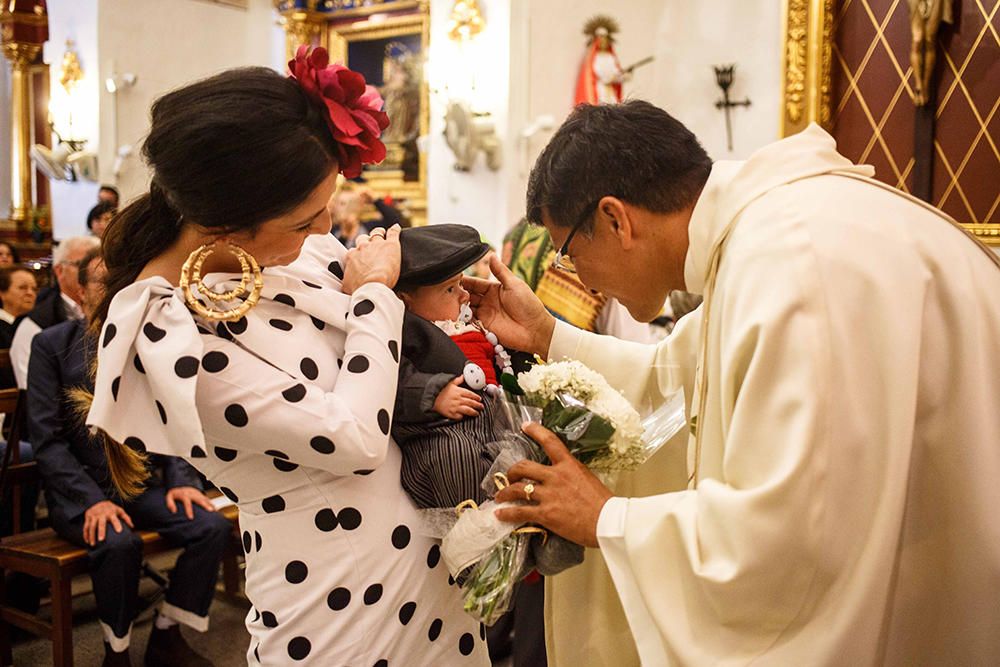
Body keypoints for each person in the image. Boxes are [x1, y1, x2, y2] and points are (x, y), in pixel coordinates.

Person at [465, 100, 1000, 665]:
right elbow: (677, 377)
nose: (580, 279)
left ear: (617, 220)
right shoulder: (764, 239)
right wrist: (548, 334)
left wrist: (608, 519)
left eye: (570, 254)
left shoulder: (789, 264)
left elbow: (794, 541)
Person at [83, 47, 488, 665]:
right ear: (224, 224)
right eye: (305, 219)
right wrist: (375, 294)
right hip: (340, 606)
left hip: (431, 576)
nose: (325, 227)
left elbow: (389, 348)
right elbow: (355, 439)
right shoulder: (166, 332)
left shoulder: (295, 251)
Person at [28, 247, 230, 667]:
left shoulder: (143, 338)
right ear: (81, 291)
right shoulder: (51, 345)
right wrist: (91, 501)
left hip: (139, 484)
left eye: (122, 281)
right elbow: (47, 441)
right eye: (104, 282)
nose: (115, 290)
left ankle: (167, 635)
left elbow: (168, 415)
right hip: (81, 494)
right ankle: (115, 653)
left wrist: (180, 481)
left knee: (209, 525)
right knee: (118, 543)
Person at [10, 235, 100, 388]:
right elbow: (32, 387)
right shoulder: (35, 325)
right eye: (82, 264)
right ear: (59, 271)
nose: (93, 273)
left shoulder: (118, 315)